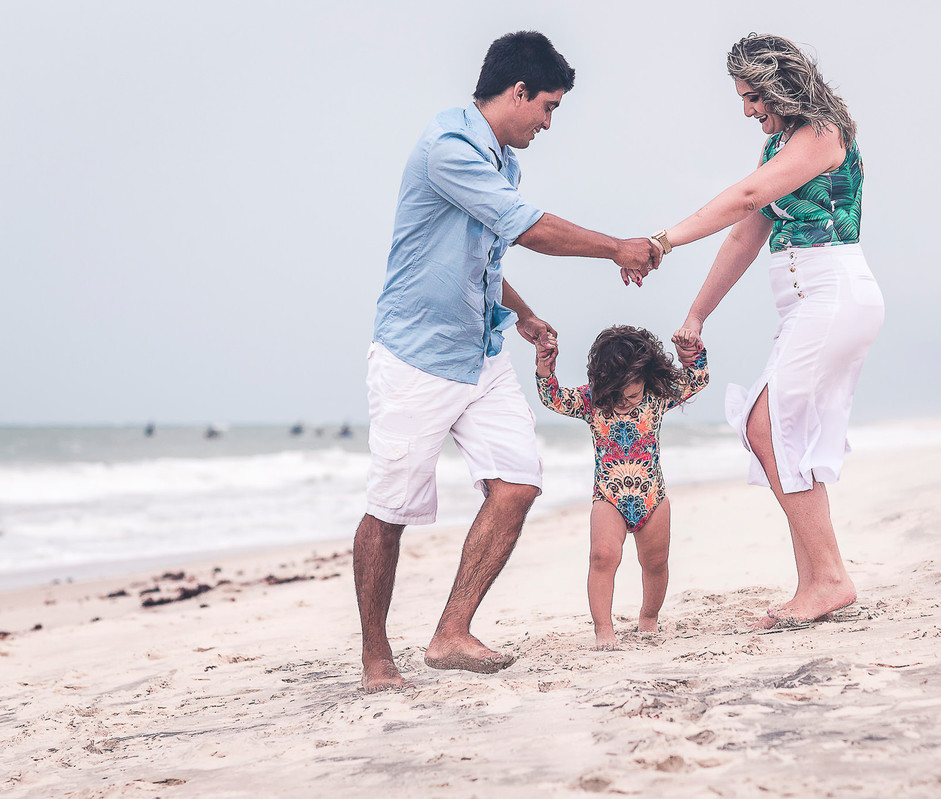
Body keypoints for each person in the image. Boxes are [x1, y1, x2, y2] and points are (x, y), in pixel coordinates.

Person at [355, 31, 662, 692]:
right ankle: (376, 658)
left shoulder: (501, 160)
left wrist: (519, 312)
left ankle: (450, 633)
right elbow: (526, 227)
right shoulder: (449, 149)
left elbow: (482, 249)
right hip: (417, 357)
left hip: (480, 352)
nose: (549, 122)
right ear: (517, 91)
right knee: (391, 509)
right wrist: (617, 248)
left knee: (518, 482)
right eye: (547, 106)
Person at [650, 33, 884, 628]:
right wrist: (696, 314)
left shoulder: (824, 132)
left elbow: (748, 196)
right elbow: (745, 233)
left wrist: (661, 241)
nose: (749, 109)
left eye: (754, 96)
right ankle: (816, 580)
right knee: (779, 431)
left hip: (832, 295)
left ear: (782, 87)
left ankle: (829, 578)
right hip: (808, 305)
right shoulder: (782, 145)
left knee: (770, 424)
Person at [534, 325, 709, 649]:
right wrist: (546, 370)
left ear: (646, 378)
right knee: (602, 557)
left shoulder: (657, 397)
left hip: (652, 495)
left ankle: (649, 618)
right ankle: (604, 629)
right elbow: (554, 399)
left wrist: (693, 349)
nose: (625, 402)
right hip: (609, 496)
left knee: (655, 564)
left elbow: (698, 378)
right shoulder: (591, 401)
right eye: (617, 395)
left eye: (632, 395)